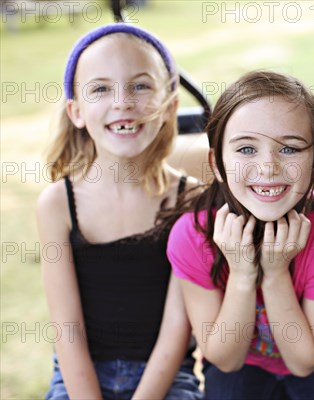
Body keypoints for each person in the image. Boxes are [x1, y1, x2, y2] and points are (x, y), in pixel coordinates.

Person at [166, 71, 314, 399]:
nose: (268, 166)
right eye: (246, 149)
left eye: (289, 149)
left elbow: (305, 361)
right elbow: (225, 360)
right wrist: (243, 274)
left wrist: (274, 273)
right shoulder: (193, 235)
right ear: (217, 163)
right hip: (242, 361)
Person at [36, 23, 202, 399]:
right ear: (76, 112)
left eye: (140, 86)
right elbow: (67, 329)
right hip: (79, 377)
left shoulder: (189, 200)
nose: (122, 102)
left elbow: (177, 328)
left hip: (165, 377)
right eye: (100, 89)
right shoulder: (58, 204)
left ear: (170, 106)